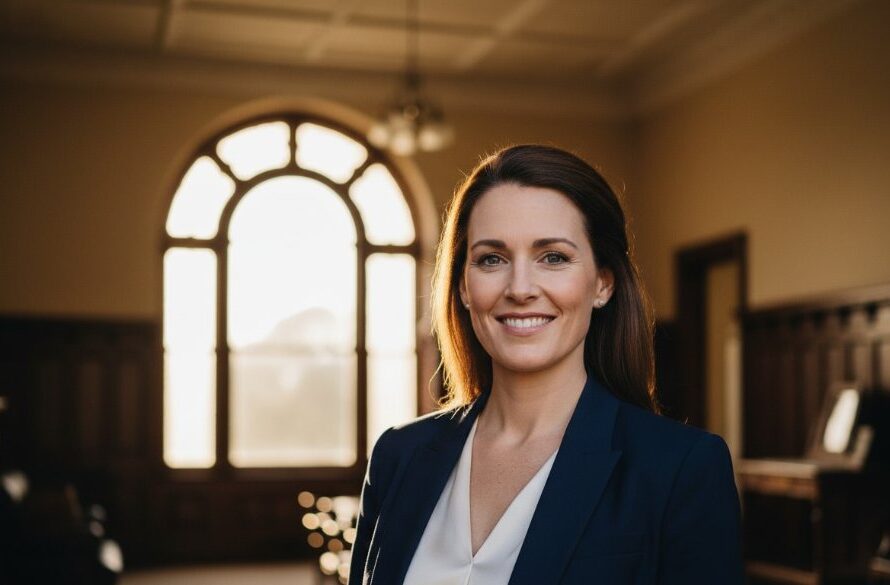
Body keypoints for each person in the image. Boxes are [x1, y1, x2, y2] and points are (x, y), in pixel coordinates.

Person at [347, 144, 744, 585]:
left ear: (602, 284)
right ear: (463, 286)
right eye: (491, 259)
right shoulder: (398, 456)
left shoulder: (681, 469)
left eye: (553, 257)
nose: (520, 288)